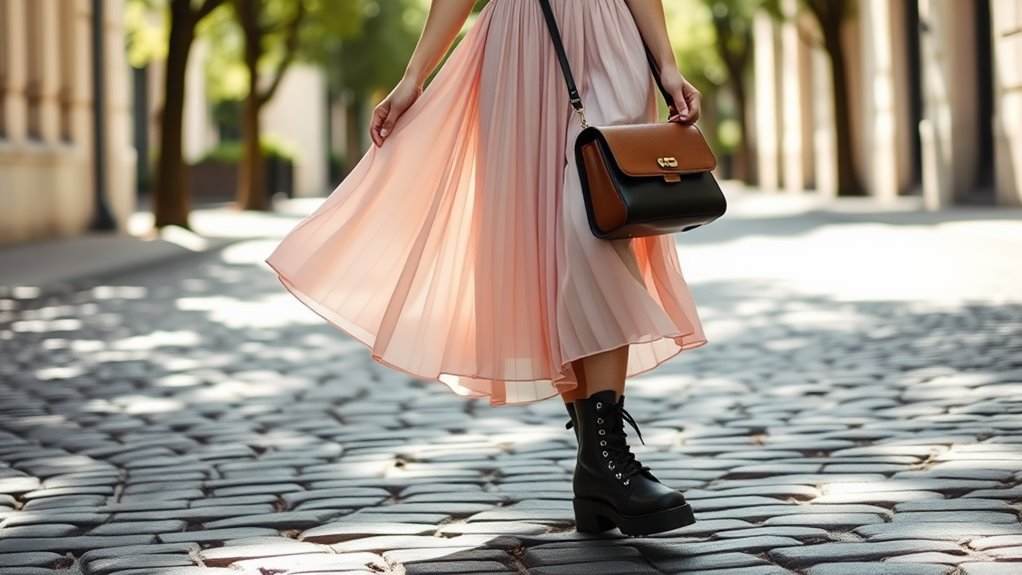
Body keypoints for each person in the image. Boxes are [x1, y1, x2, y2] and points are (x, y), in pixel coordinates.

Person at [266, 0, 706, 537]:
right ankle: (598, 466)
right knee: (546, 242)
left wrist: (666, 63)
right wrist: (413, 77)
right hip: (518, 45)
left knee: (594, 228)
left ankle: (606, 461)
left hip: (612, 36)